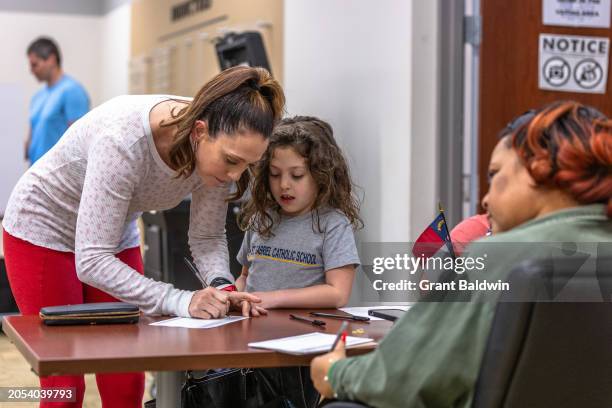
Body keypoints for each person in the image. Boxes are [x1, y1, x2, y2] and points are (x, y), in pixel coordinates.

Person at [2, 66, 284, 408]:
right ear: (199, 131)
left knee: (127, 377)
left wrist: (223, 289)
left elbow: (207, 236)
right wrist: (181, 300)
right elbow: (91, 261)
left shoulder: (219, 146)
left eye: (246, 166)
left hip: (110, 234)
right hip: (43, 227)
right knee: (65, 383)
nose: (234, 175)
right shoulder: (123, 140)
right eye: (231, 161)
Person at [310, 101, 612, 407]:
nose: (485, 198)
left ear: (540, 169)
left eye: (495, 175)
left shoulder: (496, 258)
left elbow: (398, 379)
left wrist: (335, 372)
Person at [232, 116, 362, 407]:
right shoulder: (261, 219)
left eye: (297, 175)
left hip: (301, 348)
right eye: (275, 174)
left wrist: (272, 299)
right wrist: (234, 293)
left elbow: (337, 292)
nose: (284, 185)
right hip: (251, 342)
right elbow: (245, 275)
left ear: (321, 174)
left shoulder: (332, 224)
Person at [25, 37, 90, 165]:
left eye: (35, 65)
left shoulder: (72, 91)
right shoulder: (38, 96)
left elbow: (80, 141)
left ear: (51, 59)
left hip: (58, 175)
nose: (31, 71)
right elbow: (32, 135)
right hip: (36, 170)